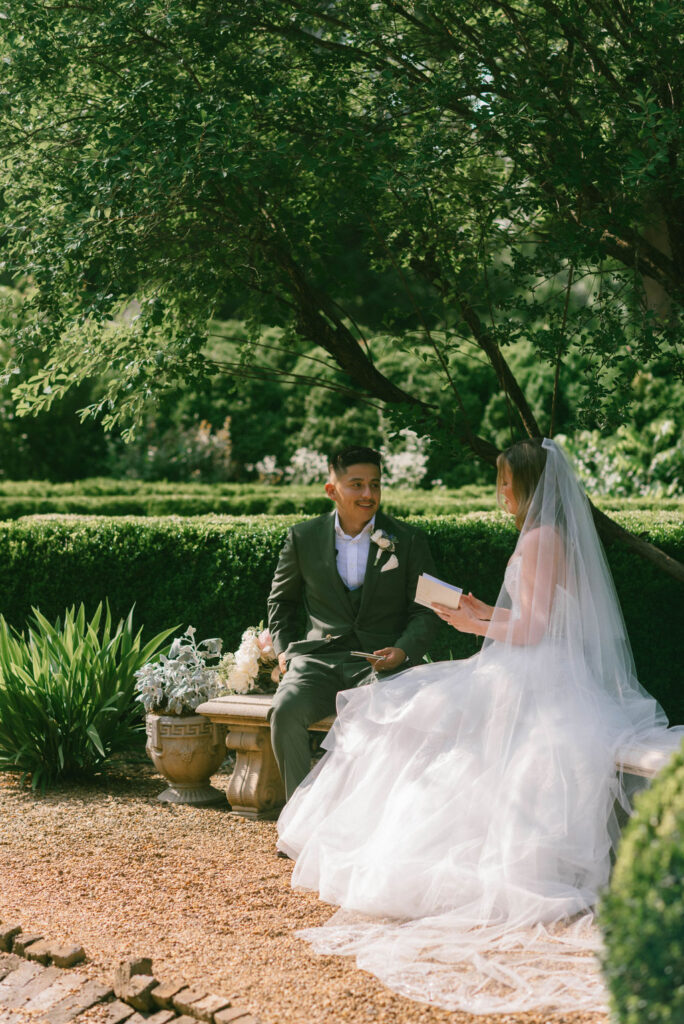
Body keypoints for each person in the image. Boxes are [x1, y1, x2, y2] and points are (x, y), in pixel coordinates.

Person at [276, 437, 683, 1015]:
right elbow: (537, 616)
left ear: (520, 485)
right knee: (421, 717)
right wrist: (478, 610)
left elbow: (537, 629)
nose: (500, 492)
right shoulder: (547, 536)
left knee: (410, 716)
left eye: (504, 481)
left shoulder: (541, 539)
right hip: (537, 668)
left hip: (534, 673)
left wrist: (473, 628)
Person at [267, 444, 439, 801]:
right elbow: (281, 603)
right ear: (332, 490)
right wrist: (284, 652)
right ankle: (298, 818)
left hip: (381, 665)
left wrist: (403, 651)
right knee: (285, 711)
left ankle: (368, 818)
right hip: (317, 660)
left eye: (375, 484)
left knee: (386, 715)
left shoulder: (408, 540)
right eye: (356, 484)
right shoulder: (303, 538)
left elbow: (426, 611)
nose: (368, 494)